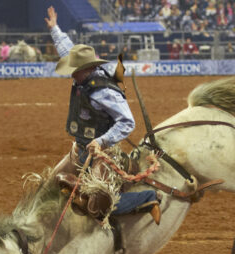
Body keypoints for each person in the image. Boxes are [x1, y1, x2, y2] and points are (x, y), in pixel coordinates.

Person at [45, 6, 161, 225]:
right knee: (51, 185)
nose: (71, 72)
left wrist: (100, 141)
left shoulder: (103, 91)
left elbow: (127, 122)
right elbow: (67, 50)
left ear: (86, 69)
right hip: (81, 149)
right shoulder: (83, 76)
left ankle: (149, 198)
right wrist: (54, 29)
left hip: (102, 153)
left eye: (74, 69)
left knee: (97, 205)